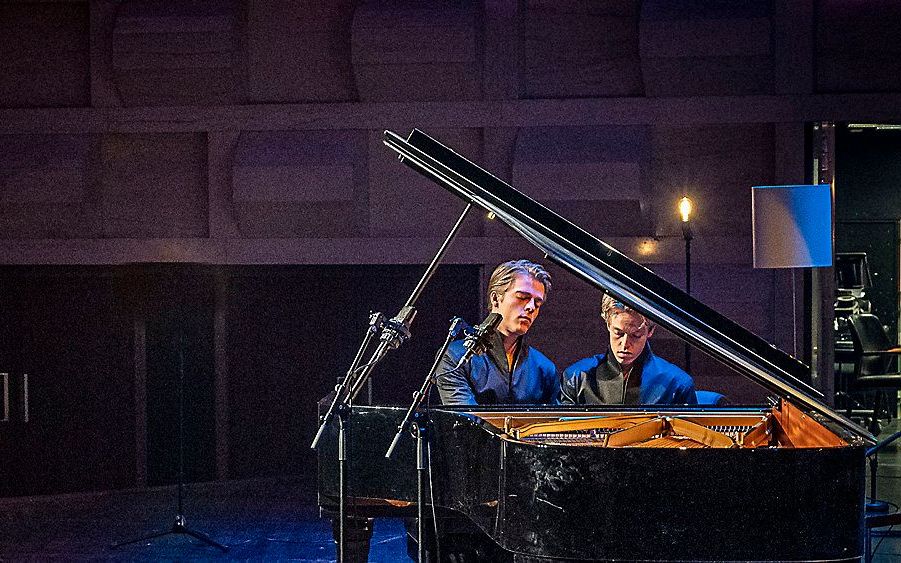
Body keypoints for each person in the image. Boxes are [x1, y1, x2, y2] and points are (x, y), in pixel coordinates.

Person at [436, 259, 559, 406]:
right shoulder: (455, 357)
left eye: (537, 303)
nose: (531, 307)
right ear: (495, 299)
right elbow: (466, 422)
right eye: (522, 298)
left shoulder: (545, 368)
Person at [561, 294, 696, 405]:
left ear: (650, 331)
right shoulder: (576, 377)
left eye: (635, 335)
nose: (625, 344)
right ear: (608, 324)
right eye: (618, 333)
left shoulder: (677, 384)